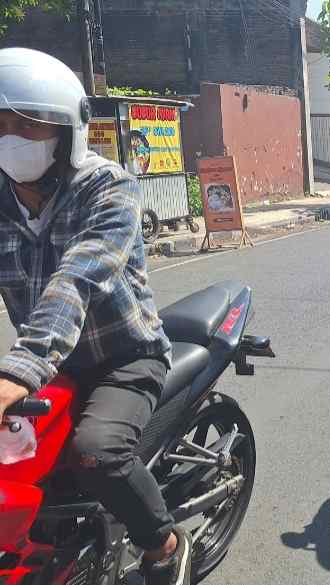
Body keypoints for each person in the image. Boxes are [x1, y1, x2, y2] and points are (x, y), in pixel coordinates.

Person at [0, 49, 191, 585]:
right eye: (0, 124)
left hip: (123, 357)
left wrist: (18, 371)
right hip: (48, 362)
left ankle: (162, 545)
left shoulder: (108, 188)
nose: (11, 138)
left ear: (65, 131)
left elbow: (78, 278)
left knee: (97, 455)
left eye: (28, 125)